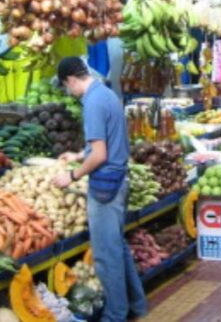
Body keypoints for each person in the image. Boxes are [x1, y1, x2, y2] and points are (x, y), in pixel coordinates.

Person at [52, 57, 147, 321]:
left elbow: (100, 155)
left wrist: (72, 175)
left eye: (66, 87)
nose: (69, 92)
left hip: (105, 187)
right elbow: (104, 142)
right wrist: (78, 153)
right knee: (118, 247)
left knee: (106, 255)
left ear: (71, 80)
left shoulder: (92, 103)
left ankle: (115, 315)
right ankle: (137, 305)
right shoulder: (106, 94)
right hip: (120, 181)